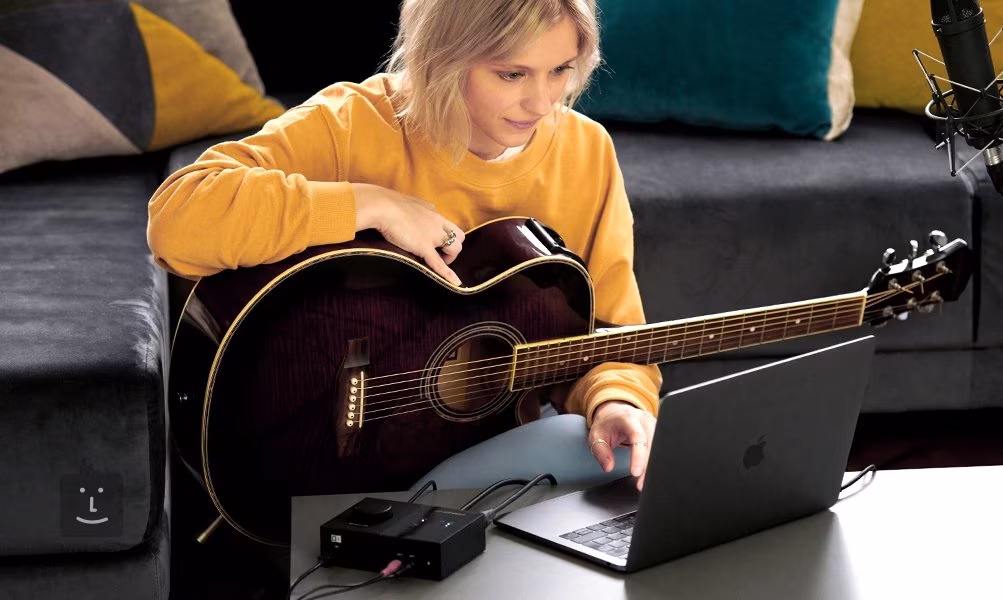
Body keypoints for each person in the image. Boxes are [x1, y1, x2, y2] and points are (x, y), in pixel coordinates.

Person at [147, 0, 662, 489]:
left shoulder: (586, 152)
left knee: (621, 460)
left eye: (561, 70)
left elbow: (611, 334)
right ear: (444, 55)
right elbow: (177, 220)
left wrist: (614, 400)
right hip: (314, 466)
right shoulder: (350, 124)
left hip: (490, 464)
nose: (543, 102)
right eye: (512, 74)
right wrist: (372, 205)